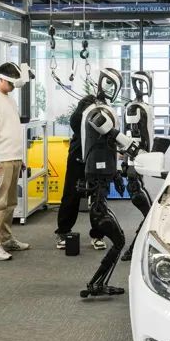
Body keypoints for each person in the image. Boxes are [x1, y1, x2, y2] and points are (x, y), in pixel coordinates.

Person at [0, 62, 32, 261]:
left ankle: (6, 238)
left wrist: (20, 157)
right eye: (10, 83)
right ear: (0, 79)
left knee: (10, 203)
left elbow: (12, 130)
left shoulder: (9, 99)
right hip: (0, 160)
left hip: (13, 158)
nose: (12, 87)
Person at [53, 93, 107, 251]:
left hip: (99, 156)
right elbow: (75, 122)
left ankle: (98, 235)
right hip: (78, 155)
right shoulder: (86, 104)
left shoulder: (106, 108)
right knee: (71, 194)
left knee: (99, 197)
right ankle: (63, 232)